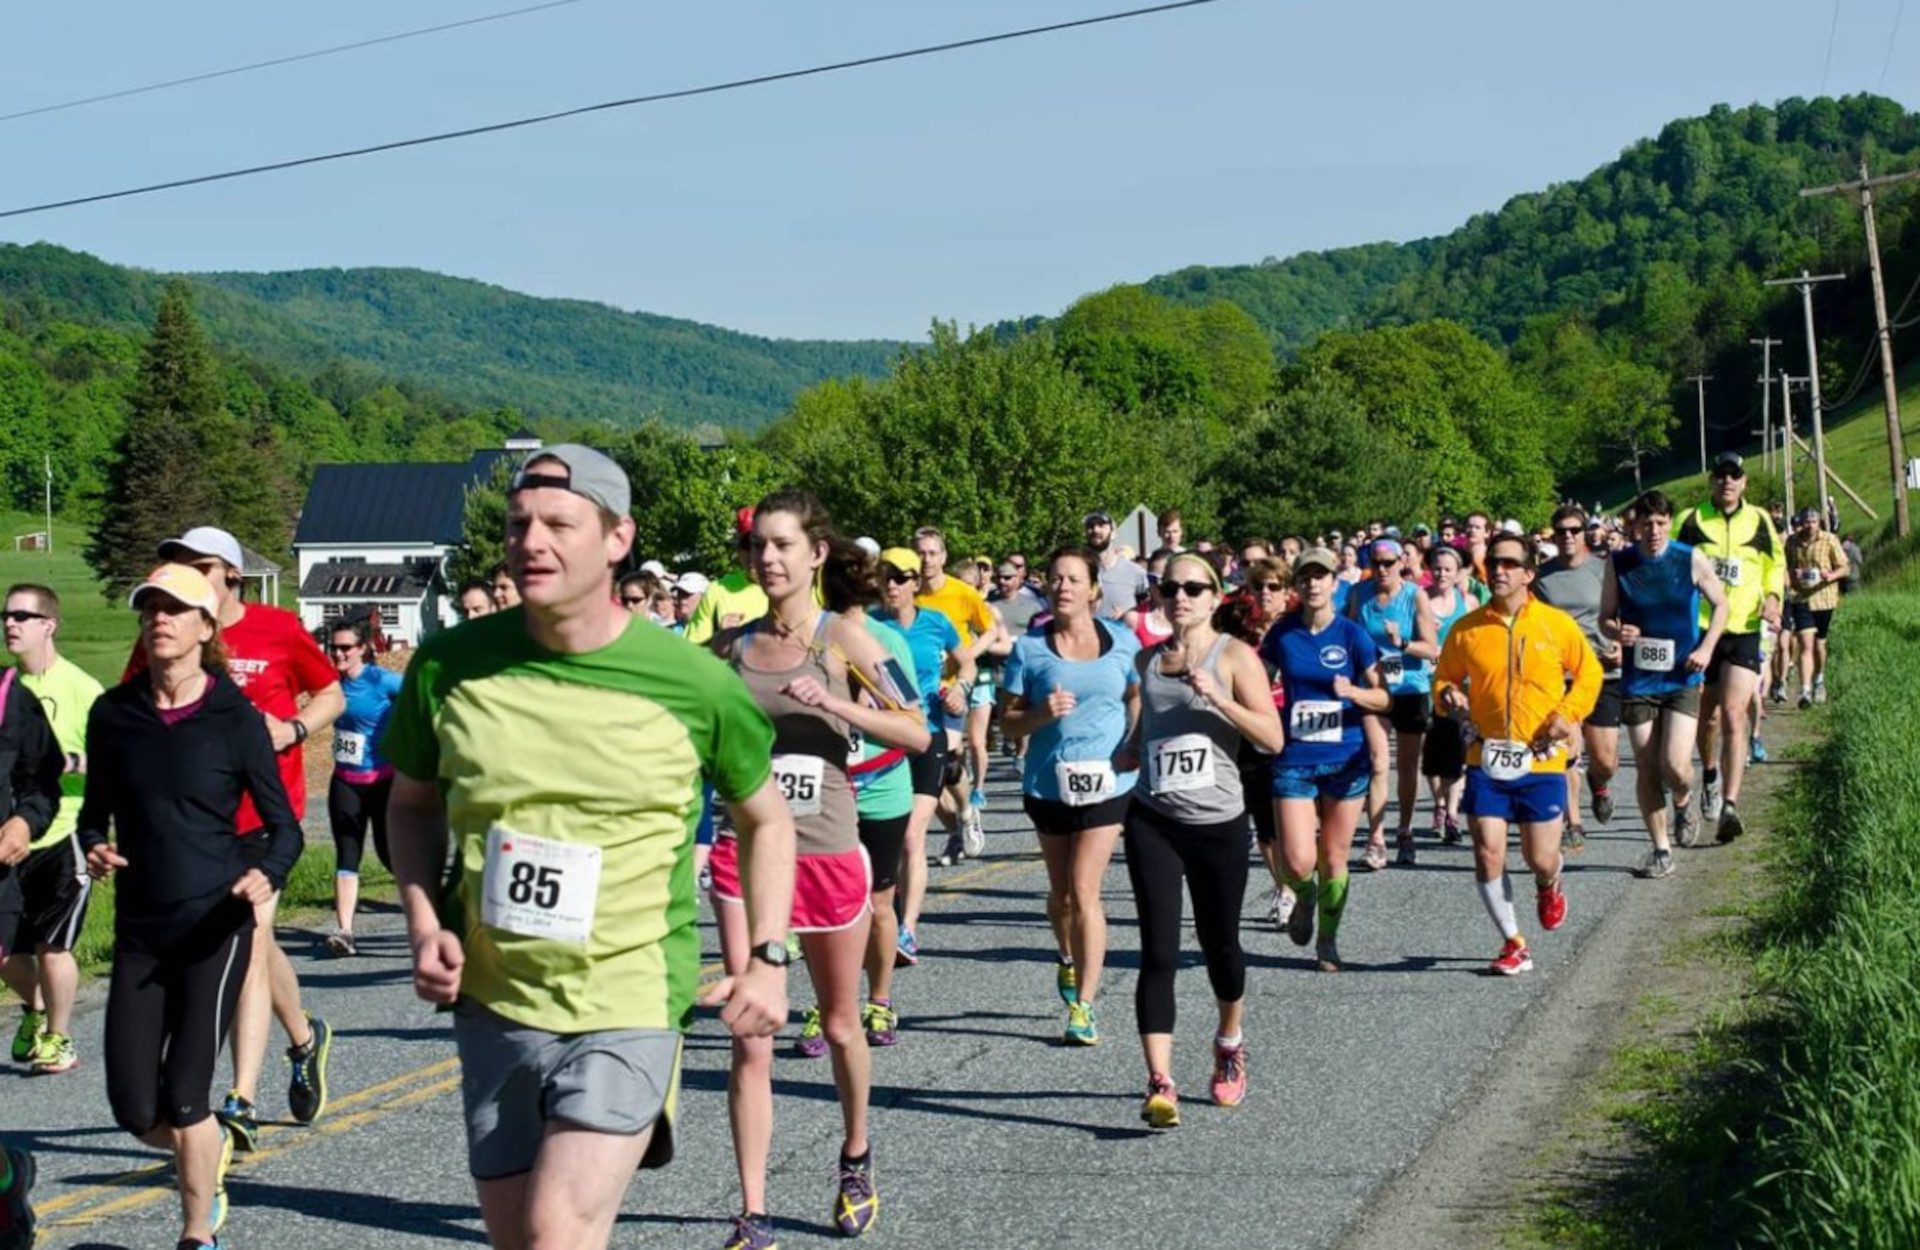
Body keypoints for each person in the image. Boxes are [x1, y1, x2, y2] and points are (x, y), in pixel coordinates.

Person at [382, 445, 796, 1250]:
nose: (531, 542)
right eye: (518, 524)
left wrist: (769, 959)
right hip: (497, 1002)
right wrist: (423, 921)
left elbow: (767, 820)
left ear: (617, 539)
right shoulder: (449, 667)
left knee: (556, 1229)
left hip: (630, 999)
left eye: (558, 525)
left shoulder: (694, 682)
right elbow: (410, 804)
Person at [714, 492, 929, 1245]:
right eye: (758, 547)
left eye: (783, 545)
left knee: (839, 1025)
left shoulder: (844, 640)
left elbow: (917, 730)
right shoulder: (729, 648)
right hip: (743, 854)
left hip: (828, 850)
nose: (768, 558)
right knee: (751, 1032)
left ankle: (856, 1154)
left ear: (815, 554)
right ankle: (753, 1212)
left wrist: (839, 707)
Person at [83, 562, 301, 1250]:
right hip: (142, 929)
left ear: (207, 627)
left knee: (184, 1095)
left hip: (216, 924)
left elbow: (285, 827)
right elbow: (93, 815)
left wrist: (267, 873)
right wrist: (94, 846)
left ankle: (197, 1233)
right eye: (150, 607)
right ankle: (208, 1151)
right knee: (133, 1106)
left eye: (175, 609)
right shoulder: (113, 714)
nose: (159, 619)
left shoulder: (235, 719)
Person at [130, 526, 342, 1151]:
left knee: (247, 941)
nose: (185, 578)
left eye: (199, 566)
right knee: (252, 942)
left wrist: (294, 729)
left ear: (231, 575)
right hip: (196, 825)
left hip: (266, 820)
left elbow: (330, 692)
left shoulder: (278, 629)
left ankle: (240, 1099)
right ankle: (304, 1038)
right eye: (176, 566)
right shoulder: (165, 633)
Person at [1124, 554, 1282, 1128]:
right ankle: (1159, 1082)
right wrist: (1124, 750)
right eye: (1171, 588)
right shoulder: (1147, 660)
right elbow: (1145, 733)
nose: (1181, 598)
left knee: (1221, 946)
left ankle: (1229, 1041)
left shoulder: (1235, 657)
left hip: (1218, 823)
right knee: (1158, 951)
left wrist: (1218, 697)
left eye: (1194, 588)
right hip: (1153, 818)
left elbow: (1272, 739)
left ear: (1215, 598)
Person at [1434, 532, 1601, 977]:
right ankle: (1513, 943)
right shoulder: (1467, 628)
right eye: (1494, 562)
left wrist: (1567, 715)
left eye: (1510, 563)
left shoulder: (1555, 624)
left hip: (1541, 759)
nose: (1499, 570)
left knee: (1539, 858)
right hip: (1485, 757)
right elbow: (1444, 679)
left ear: (1529, 574)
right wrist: (1448, 696)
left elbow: (1590, 674)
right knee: (1488, 852)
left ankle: (1549, 883)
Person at [1002, 547, 1142, 1044]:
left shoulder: (1122, 640)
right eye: (1056, 578)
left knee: (1084, 889)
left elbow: (1135, 693)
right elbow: (1007, 721)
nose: (1063, 587)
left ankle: (1084, 1006)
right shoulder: (1029, 649)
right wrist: (1040, 715)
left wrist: (1134, 742)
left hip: (1109, 781)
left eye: (1074, 579)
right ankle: (1066, 955)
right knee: (1061, 895)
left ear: (1093, 589)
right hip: (1048, 782)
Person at [1260, 547, 1390, 972]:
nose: (1313, 583)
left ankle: (1328, 940)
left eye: (1321, 576)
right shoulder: (1282, 634)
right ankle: (1305, 896)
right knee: (1297, 862)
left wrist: (1354, 692)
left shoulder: (1353, 635)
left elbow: (1383, 697)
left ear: (1335, 583)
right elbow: (1257, 682)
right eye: (1305, 577)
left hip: (1344, 757)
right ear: (1296, 585)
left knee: (1333, 858)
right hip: (1295, 757)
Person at [2, 584, 104, 1076]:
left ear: (50, 625)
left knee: (52, 945)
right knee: (7, 952)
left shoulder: (82, 689)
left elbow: (118, 760)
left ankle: (60, 1037)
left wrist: (68, 762)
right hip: (8, 842)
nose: (10, 624)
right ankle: (37, 1009)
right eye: (6, 616)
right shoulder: (6, 691)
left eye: (22, 616)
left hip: (64, 832)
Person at [1601, 491, 1729, 876]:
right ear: (1635, 526)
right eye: (1647, 524)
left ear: (1669, 523)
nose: (1654, 531)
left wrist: (1706, 648)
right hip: (1640, 680)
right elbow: (1605, 617)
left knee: (1674, 765)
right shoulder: (1620, 562)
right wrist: (1619, 632)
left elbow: (1721, 605)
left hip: (1682, 674)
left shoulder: (1689, 558)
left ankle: (1684, 799)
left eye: (1660, 523)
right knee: (1646, 766)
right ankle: (1661, 850)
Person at [1676, 453, 1784, 843]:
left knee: (1735, 714)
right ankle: (1709, 777)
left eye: (1734, 475)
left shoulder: (1759, 519)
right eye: (1721, 475)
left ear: (1744, 482)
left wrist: (1772, 598)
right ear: (1712, 481)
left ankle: (1731, 806)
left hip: (1743, 627)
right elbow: (1671, 565)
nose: (1727, 481)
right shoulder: (1691, 519)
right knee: (1708, 718)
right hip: (1701, 628)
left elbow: (1774, 565)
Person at [873, 549, 973, 964]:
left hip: (927, 737)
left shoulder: (936, 622)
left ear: (916, 582)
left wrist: (960, 690)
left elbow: (967, 664)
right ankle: (884, 915)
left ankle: (907, 930)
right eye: (886, 576)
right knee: (886, 839)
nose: (893, 584)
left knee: (913, 836)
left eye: (901, 577)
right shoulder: (868, 625)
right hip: (883, 740)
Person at [1533, 506, 1623, 854]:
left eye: (1573, 530)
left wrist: (1619, 645)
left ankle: (1599, 784)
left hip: (1601, 671)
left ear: (1585, 532)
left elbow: (1621, 613)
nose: (1567, 536)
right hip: (1561, 676)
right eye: (1560, 531)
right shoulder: (1542, 577)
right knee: (1567, 748)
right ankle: (1574, 822)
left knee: (1606, 760)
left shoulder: (1604, 569)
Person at [910, 527, 1001, 862]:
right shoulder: (906, 593)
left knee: (947, 763)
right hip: (914, 693)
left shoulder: (961, 592)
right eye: (920, 553)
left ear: (944, 557)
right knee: (924, 775)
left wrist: (965, 657)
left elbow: (991, 630)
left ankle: (966, 812)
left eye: (932, 553)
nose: (926, 560)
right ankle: (955, 831)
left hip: (952, 689)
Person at [1348, 538, 1438, 869]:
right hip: (1374, 688)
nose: (1382, 569)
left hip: (1411, 688)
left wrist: (1402, 643)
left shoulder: (1415, 596)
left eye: (1389, 562)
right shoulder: (1359, 594)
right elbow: (1347, 636)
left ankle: (1405, 829)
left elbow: (1431, 649)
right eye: (1376, 562)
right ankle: (1376, 839)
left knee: (1407, 766)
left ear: (1401, 562)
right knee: (1377, 762)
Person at [323, 619, 404, 957]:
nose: (339, 653)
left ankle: (436, 911)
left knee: (391, 856)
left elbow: (421, 695)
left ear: (362, 649)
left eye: (346, 648)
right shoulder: (330, 684)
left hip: (383, 783)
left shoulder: (381, 681)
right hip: (345, 782)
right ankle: (345, 932)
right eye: (334, 647)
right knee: (347, 854)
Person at [1420, 547, 1476, 844]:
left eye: (1447, 569)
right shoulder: (1420, 599)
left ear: (1458, 573)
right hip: (1424, 682)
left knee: (1457, 748)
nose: (1441, 574)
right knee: (1430, 749)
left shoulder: (1468, 602)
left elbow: (1477, 642)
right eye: (1437, 568)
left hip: (1457, 685)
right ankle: (1439, 803)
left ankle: (1452, 812)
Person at [1783, 508, 1849, 709]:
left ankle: (1819, 679)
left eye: (1813, 522)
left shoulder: (1830, 540)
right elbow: (1784, 567)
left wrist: (1831, 575)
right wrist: (1791, 575)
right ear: (1801, 523)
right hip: (1800, 598)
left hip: (1824, 599)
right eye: (1806, 522)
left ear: (1819, 522)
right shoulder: (1792, 542)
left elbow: (1845, 567)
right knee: (1806, 643)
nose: (1810, 526)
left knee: (1819, 644)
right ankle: (1805, 691)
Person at [684, 508, 772, 645]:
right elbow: (691, 650)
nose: (752, 553)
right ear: (738, 549)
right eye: (746, 544)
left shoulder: (796, 588)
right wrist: (719, 638)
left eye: (758, 545)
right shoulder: (717, 590)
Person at [1084, 511, 1150, 620]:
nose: (1095, 530)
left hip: (1124, 630)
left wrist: (1129, 615)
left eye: (1101, 525)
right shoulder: (1078, 572)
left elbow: (1149, 610)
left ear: (1113, 532)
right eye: (1091, 526)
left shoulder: (1135, 572)